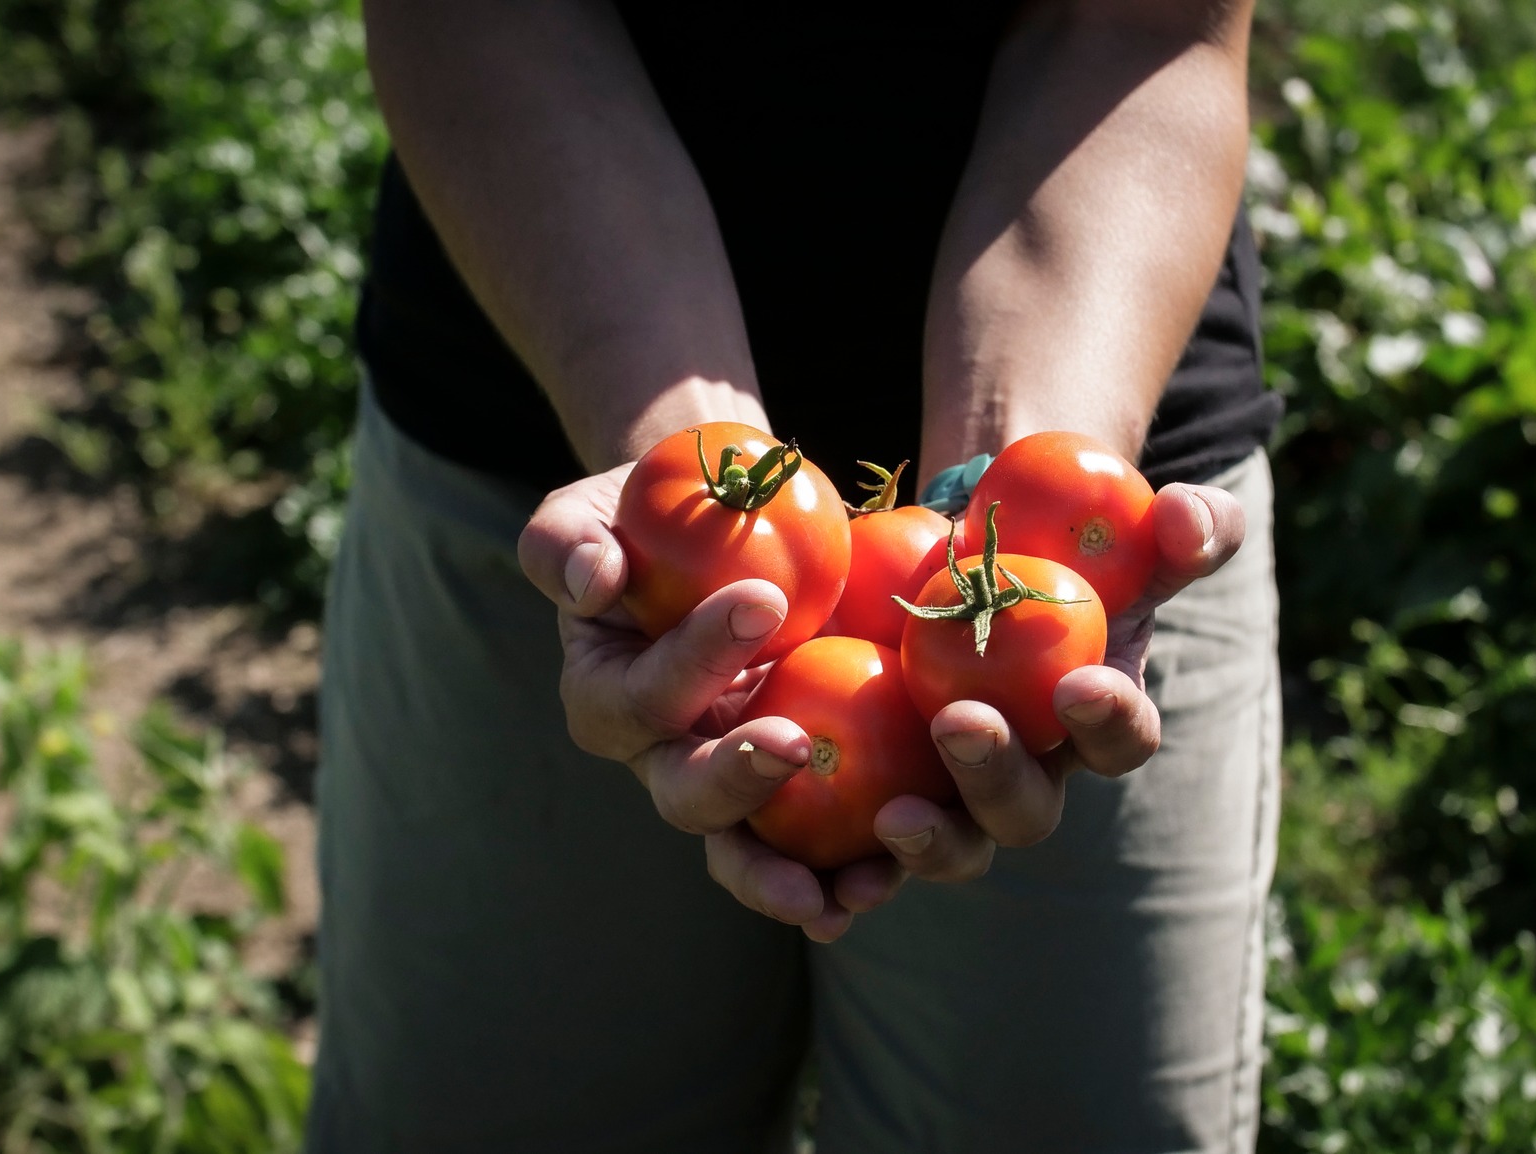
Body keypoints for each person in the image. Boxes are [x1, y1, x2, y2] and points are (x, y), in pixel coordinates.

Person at [306, 1, 1283, 1150]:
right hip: (541, 436)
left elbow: (1140, 27)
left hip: (1094, 453)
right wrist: (674, 465)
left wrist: (1009, 484)